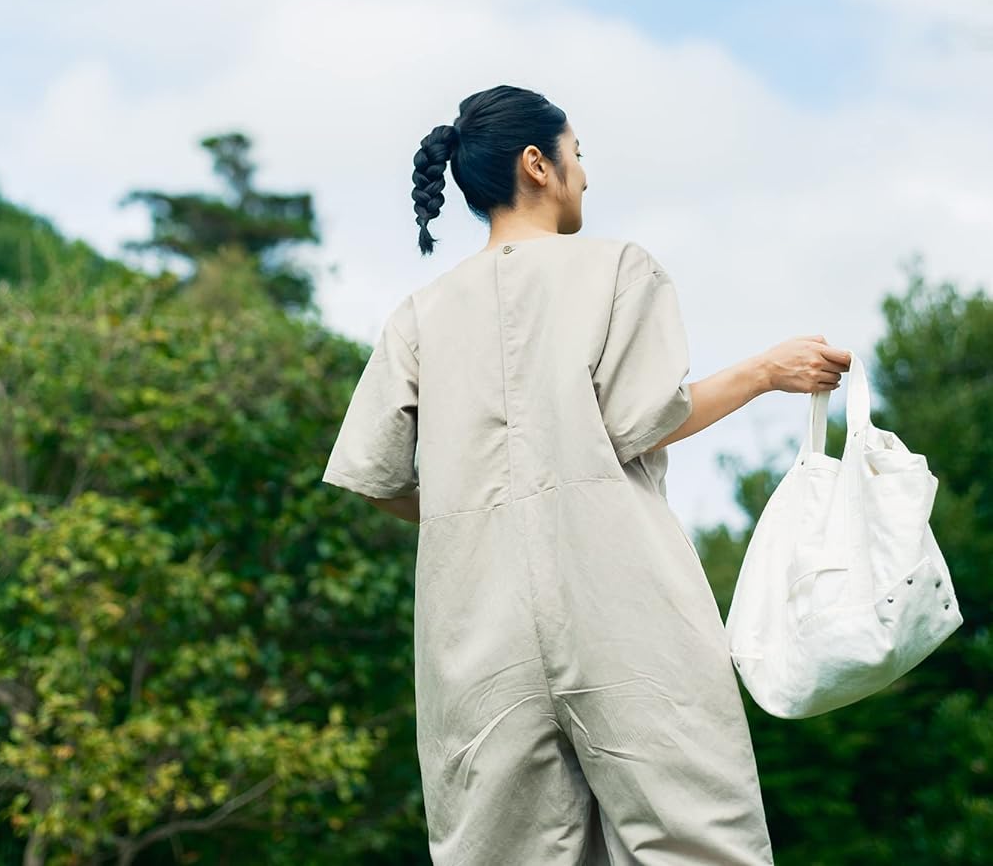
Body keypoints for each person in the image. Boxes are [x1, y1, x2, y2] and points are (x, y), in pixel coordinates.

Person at [321, 84, 852, 864]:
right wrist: (767, 370)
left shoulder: (419, 313)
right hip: (621, 598)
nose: (585, 175)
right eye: (578, 155)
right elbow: (645, 417)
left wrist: (474, 503)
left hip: (473, 632)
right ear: (538, 164)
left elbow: (375, 476)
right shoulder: (616, 269)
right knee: (695, 841)